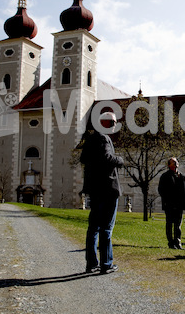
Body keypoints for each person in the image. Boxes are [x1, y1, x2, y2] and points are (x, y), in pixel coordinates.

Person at [80, 111, 124, 274]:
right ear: (104, 123)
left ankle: (91, 263)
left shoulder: (90, 139)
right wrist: (120, 160)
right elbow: (107, 158)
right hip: (107, 188)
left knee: (93, 228)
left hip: (94, 189)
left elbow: (83, 159)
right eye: (112, 122)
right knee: (106, 227)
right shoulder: (104, 138)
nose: (114, 125)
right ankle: (106, 263)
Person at [158, 157, 185, 249]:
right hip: (170, 204)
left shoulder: (181, 176)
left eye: (176, 162)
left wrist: (184, 201)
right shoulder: (165, 176)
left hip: (179, 204)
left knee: (178, 224)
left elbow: (184, 190)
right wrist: (167, 200)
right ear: (169, 165)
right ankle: (171, 243)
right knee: (170, 224)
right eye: (173, 162)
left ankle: (178, 242)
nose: (175, 164)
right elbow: (161, 190)